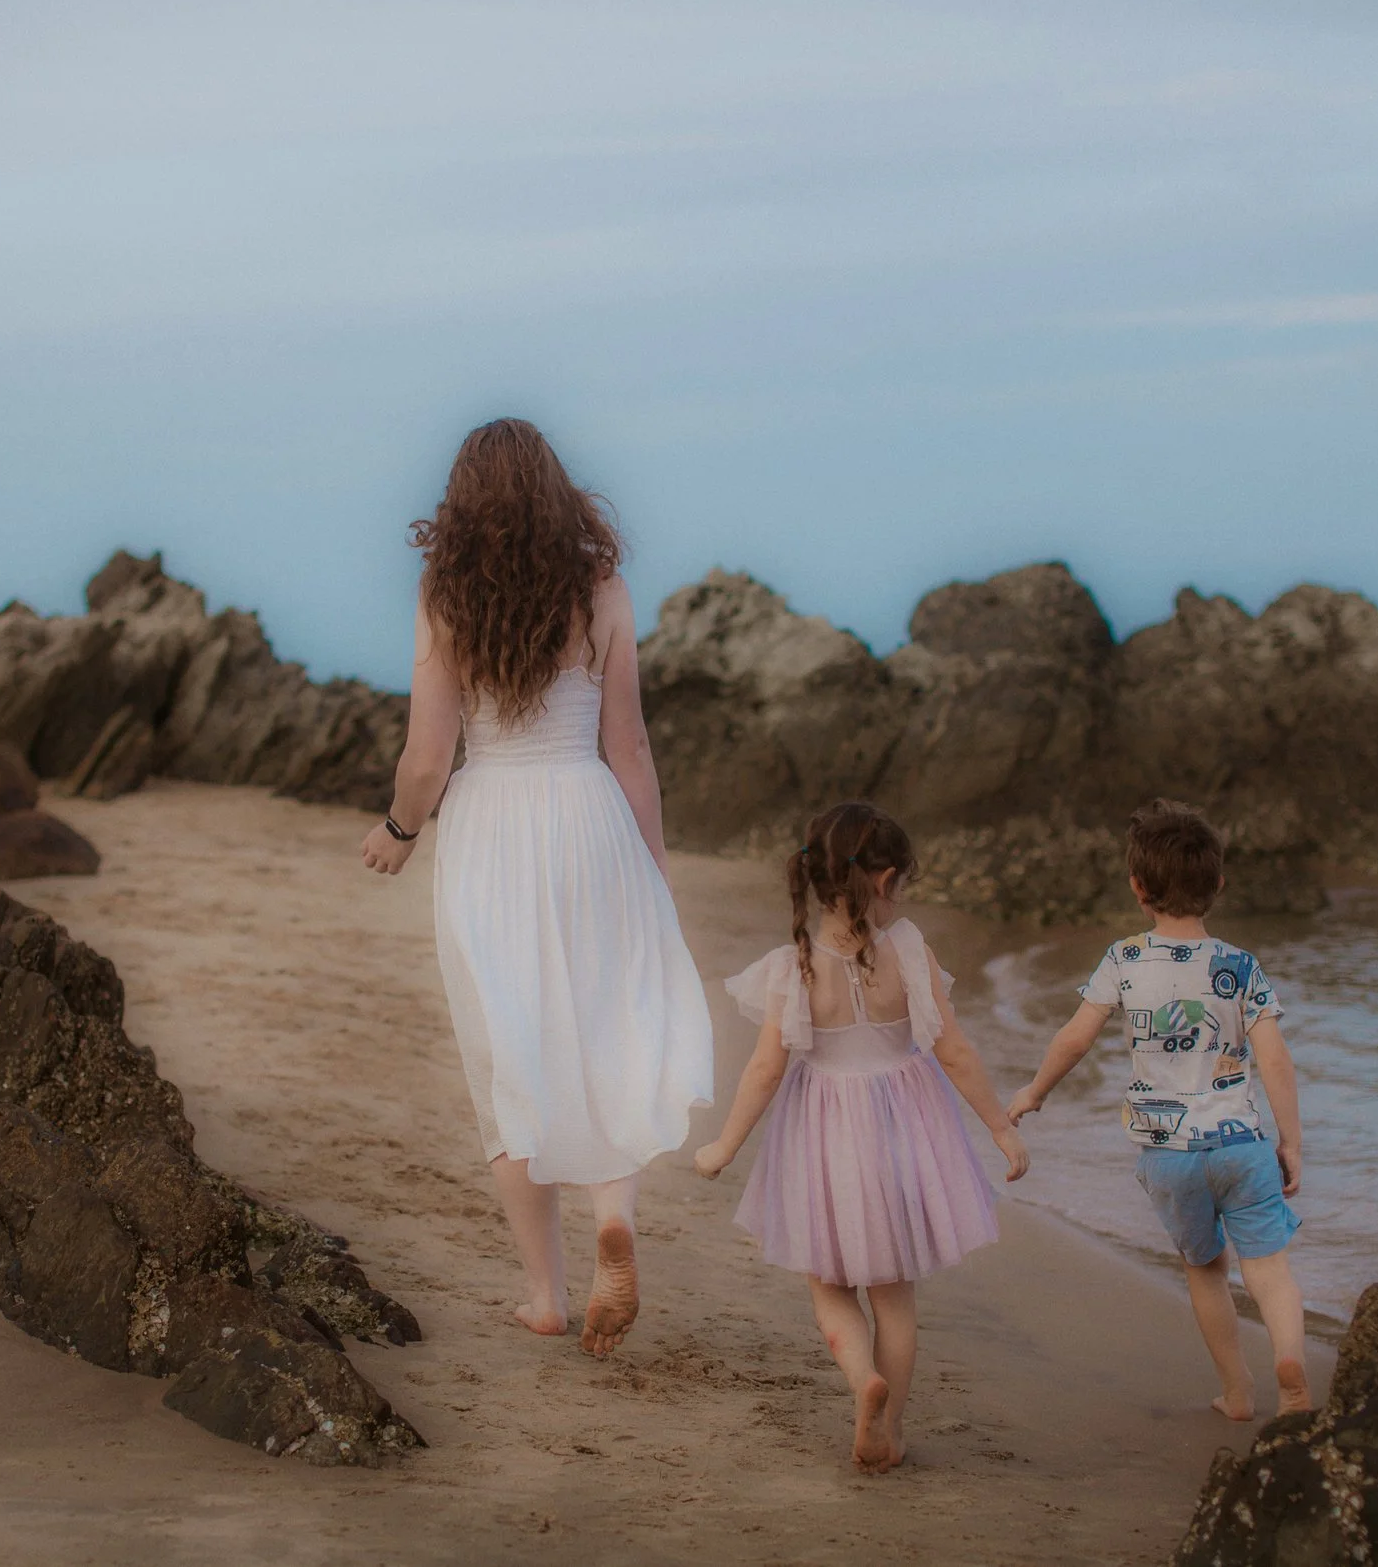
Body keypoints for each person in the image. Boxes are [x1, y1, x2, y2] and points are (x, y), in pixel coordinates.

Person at [359, 416, 713, 1358]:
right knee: (604, 1026)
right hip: (591, 815)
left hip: (493, 830)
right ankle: (615, 1215)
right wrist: (654, 863)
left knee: (511, 1053)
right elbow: (629, 745)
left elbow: (428, 755)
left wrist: (400, 832)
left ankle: (546, 1294)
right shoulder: (603, 589)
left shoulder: (446, 595)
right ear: (558, 492)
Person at [693, 802, 1027, 1471]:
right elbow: (954, 1050)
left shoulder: (795, 967)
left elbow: (765, 1069)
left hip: (824, 1138)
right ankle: (889, 1425)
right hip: (908, 1131)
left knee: (828, 1280)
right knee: (895, 1293)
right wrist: (999, 1127)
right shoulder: (908, 948)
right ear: (886, 881)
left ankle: (860, 1380)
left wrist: (724, 1144)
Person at [1008, 798, 1310, 1420]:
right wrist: (1291, 1142)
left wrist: (1034, 1092)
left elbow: (1075, 1038)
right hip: (1241, 1144)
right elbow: (1275, 1062)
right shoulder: (1240, 966)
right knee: (1269, 1270)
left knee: (1206, 1269)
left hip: (1170, 1154)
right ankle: (1290, 1367)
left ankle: (1236, 1389)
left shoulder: (1124, 960)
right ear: (1219, 885)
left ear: (1138, 888)